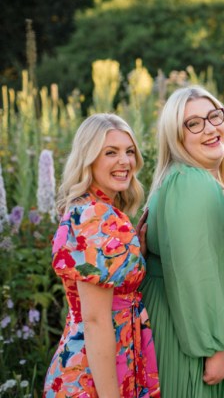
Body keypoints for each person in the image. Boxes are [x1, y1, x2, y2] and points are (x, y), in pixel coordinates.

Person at [139, 86, 224, 397]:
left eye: (214, 116)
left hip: (214, 323)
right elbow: (197, 269)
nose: (210, 128)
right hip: (199, 335)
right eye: (193, 123)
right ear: (175, 137)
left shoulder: (214, 182)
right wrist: (214, 347)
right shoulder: (191, 182)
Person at [44, 114, 160, 397]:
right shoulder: (95, 216)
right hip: (95, 374)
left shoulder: (97, 210)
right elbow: (95, 320)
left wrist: (134, 257)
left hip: (113, 359)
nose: (125, 161)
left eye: (129, 151)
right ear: (89, 158)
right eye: (111, 152)